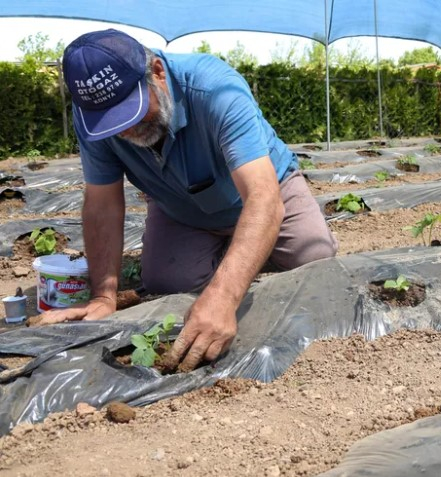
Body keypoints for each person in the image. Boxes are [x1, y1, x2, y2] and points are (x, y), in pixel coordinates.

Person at [36, 29, 338, 371]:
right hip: (180, 208)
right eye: (110, 122)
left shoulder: (215, 89)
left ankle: (246, 252)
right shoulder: (92, 121)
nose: (124, 130)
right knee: (167, 283)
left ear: (157, 72)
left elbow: (262, 196)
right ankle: (235, 253)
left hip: (264, 192)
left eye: (129, 111)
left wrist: (224, 297)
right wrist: (104, 296)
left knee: (314, 257)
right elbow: (102, 204)